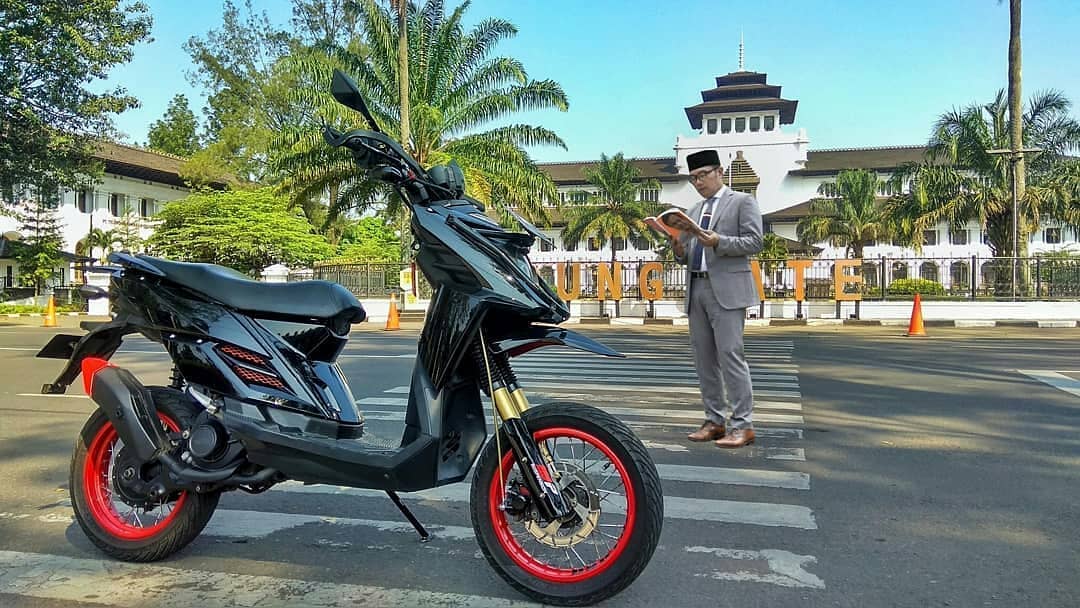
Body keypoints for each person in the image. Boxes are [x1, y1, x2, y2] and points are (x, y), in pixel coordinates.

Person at [670, 149, 763, 448]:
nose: (698, 182)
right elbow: (684, 255)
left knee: (731, 356)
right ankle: (714, 420)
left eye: (702, 175)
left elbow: (755, 241)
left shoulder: (742, 202)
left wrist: (719, 241)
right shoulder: (693, 211)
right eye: (693, 178)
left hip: (726, 290)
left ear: (719, 172)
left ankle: (742, 425)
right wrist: (676, 245)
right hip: (696, 288)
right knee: (704, 360)